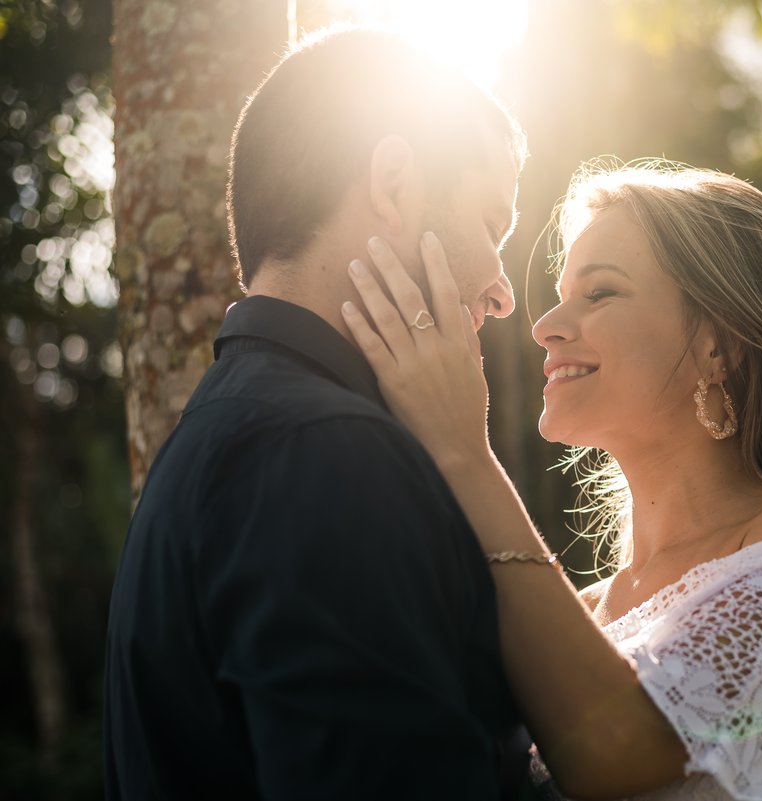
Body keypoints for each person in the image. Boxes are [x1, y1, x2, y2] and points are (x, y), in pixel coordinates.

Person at [343, 163, 762, 800]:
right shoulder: (581, 616)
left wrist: (462, 453)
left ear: (718, 346)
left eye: (600, 294)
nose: (546, 326)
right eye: (562, 295)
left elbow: (622, 748)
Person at [103, 28, 537, 799]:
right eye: (491, 225)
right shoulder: (328, 456)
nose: (503, 292)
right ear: (395, 182)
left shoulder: (221, 431)